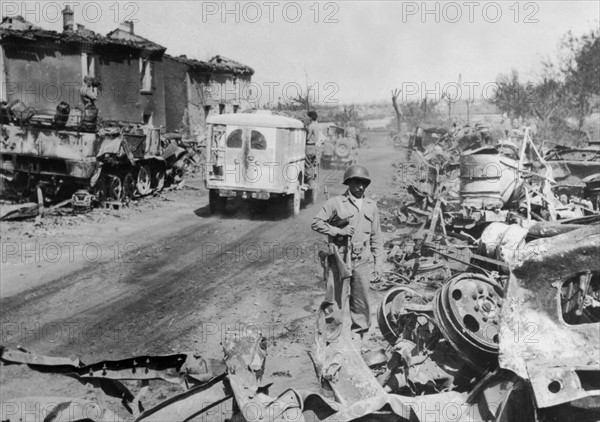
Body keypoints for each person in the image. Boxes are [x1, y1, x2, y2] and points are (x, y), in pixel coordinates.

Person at [311, 164, 383, 338]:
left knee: (362, 300)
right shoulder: (335, 202)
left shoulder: (371, 205)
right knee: (336, 299)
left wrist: (378, 263)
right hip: (340, 258)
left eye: (364, 183)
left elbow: (377, 237)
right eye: (357, 183)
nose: (361, 187)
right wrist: (338, 231)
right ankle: (333, 335)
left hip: (363, 259)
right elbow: (316, 222)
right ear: (349, 183)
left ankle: (360, 334)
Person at [305, 110, 320, 185]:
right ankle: (313, 178)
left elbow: (307, 137)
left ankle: (309, 181)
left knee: (307, 164)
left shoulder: (311, 126)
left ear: (311, 117)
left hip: (309, 146)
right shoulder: (317, 125)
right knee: (312, 164)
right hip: (314, 146)